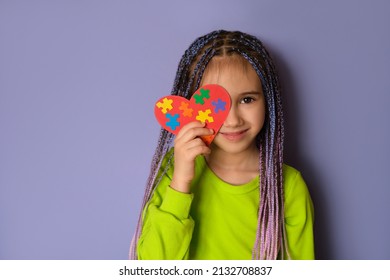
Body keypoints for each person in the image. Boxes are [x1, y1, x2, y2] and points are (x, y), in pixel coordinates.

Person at [129, 30, 314, 260]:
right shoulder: (174, 170)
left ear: (267, 101)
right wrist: (181, 183)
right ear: (190, 107)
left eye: (247, 99)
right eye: (217, 105)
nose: (233, 120)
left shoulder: (288, 186)